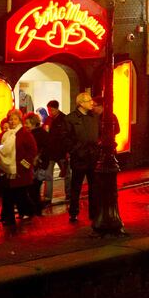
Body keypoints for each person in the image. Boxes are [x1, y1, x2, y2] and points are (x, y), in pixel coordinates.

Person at [0, 109, 36, 225]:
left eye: (15, 119)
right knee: (7, 197)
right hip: (6, 172)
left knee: (21, 196)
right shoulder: (4, 135)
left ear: (19, 120)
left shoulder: (25, 134)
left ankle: (30, 211)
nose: (12, 121)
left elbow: (32, 151)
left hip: (20, 173)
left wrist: (24, 164)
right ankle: (9, 219)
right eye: (10, 119)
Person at [66, 92, 100, 223]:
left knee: (94, 187)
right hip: (79, 158)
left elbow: (99, 134)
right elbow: (65, 138)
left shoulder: (94, 117)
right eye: (89, 100)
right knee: (76, 187)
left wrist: (97, 149)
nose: (92, 102)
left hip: (93, 157)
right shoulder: (71, 119)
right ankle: (73, 212)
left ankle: (94, 212)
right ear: (81, 103)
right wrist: (75, 150)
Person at [43, 99, 69, 203]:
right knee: (48, 175)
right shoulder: (49, 119)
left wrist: (67, 151)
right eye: (49, 110)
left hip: (61, 152)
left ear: (57, 109)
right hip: (51, 152)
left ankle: (69, 194)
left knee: (67, 173)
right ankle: (48, 197)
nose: (50, 112)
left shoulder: (64, 119)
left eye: (52, 110)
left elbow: (66, 136)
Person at [24, 114, 48, 214]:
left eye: (27, 123)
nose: (25, 125)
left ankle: (36, 210)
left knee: (33, 188)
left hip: (37, 165)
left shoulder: (34, 135)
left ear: (33, 123)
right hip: (41, 165)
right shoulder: (41, 133)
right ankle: (37, 209)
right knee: (35, 188)